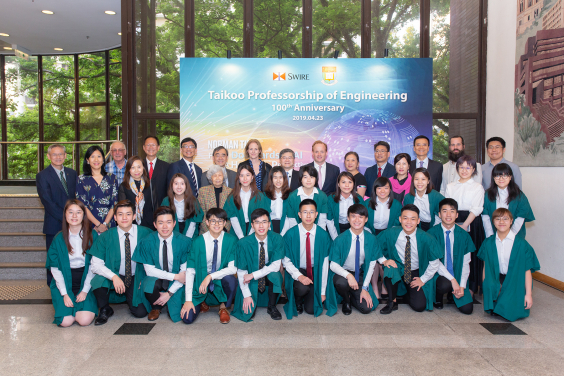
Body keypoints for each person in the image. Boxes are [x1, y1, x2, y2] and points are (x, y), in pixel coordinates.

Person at [89, 200, 153, 325]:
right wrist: (114, 277)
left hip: (136, 276)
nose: (124, 218)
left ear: (134, 216)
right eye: (120, 214)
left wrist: (144, 278)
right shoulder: (105, 236)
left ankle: (129, 298)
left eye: (128, 214)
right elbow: (95, 265)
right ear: (115, 217)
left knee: (140, 312)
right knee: (98, 280)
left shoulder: (146, 233)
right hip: (115, 275)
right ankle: (105, 308)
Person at [377, 204, 442, 314]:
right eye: (405, 218)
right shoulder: (390, 233)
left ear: (418, 221)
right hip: (398, 267)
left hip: (416, 272)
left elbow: (435, 262)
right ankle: (392, 302)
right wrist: (384, 260)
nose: (408, 222)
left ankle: (407, 293)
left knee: (419, 306)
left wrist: (423, 279)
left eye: (413, 219)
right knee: (390, 269)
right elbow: (375, 247)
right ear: (400, 219)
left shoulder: (427, 238)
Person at [478, 208, 540, 321]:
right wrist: (486, 287)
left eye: (505, 219)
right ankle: (497, 299)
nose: (501, 222)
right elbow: (485, 268)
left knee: (510, 311)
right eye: (498, 219)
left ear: (511, 221)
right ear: (493, 222)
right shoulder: (488, 243)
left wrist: (528, 295)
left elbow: (527, 271)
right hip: (497, 277)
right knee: (492, 286)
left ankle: (506, 300)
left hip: (515, 279)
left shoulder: (521, 244)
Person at [132, 206, 191, 322]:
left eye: (168, 222)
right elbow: (150, 271)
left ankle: (168, 301)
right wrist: (176, 277)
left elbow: (184, 275)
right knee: (149, 284)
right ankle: (156, 307)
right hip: (158, 279)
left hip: (178, 282)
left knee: (179, 313)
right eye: (161, 223)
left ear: (174, 223)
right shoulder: (146, 242)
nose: (165, 227)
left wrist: (169, 293)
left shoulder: (184, 242)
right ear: (154, 224)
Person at [180, 208, 238, 324]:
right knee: (187, 319)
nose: (217, 224)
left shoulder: (231, 240)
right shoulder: (197, 242)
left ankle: (223, 308)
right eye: (213, 221)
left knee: (231, 279)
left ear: (225, 223)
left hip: (219, 279)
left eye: (220, 221)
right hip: (200, 282)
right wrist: (188, 300)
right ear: (207, 222)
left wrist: (210, 277)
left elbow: (233, 268)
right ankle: (202, 302)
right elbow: (190, 271)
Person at [46, 199, 97, 327]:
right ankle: (70, 308)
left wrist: (85, 290)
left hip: (86, 280)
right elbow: (55, 268)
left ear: (83, 215)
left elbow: (94, 265)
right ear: (65, 215)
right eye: (71, 212)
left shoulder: (92, 235)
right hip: (64, 281)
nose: (74, 216)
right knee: (65, 322)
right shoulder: (58, 238)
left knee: (84, 320)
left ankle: (81, 308)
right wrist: (64, 293)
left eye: (78, 212)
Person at [326, 204, 382, 315]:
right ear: (348, 218)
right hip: (342, 273)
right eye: (353, 216)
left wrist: (365, 288)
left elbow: (371, 264)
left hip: (359, 274)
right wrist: (349, 276)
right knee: (342, 283)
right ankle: (346, 301)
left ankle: (353, 296)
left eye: (360, 217)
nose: (357, 220)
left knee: (367, 309)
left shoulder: (371, 238)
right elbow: (333, 265)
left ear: (366, 219)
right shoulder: (340, 239)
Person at [232, 209, 284, 321]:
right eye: (257, 222)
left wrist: (253, 275)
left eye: (264, 222)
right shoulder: (243, 243)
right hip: (249, 278)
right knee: (247, 312)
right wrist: (246, 296)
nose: (261, 226)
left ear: (269, 224)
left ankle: (272, 306)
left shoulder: (277, 239)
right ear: (252, 225)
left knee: (275, 275)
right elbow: (242, 272)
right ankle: (253, 300)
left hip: (266, 274)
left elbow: (275, 266)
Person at [282, 199, 332, 318]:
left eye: (311, 212)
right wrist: (299, 276)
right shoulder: (291, 234)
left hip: (316, 271)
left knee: (311, 310)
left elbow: (325, 264)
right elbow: (285, 260)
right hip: (298, 269)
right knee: (301, 288)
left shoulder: (323, 235)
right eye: (305, 212)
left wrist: (322, 292)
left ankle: (310, 294)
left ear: (316, 214)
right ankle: (298, 301)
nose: (308, 216)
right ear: (299, 215)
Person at [37, 144, 77, 285]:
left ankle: (71, 284)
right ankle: (53, 286)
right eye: (54, 154)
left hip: (74, 224)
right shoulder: (42, 176)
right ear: (49, 157)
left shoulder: (73, 174)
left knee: (72, 256)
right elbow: (47, 202)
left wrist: (74, 219)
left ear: (65, 156)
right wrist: (68, 219)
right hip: (54, 223)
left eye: (61, 154)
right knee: (54, 257)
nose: (58, 157)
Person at [445, 154, 485, 294]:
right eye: (461, 167)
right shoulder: (450, 186)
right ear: (457, 169)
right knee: (454, 253)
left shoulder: (477, 187)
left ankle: (472, 288)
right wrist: (453, 223)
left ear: (473, 169)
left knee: (471, 255)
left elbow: (477, 208)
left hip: (472, 222)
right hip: (453, 221)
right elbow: (448, 207)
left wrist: (465, 225)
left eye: (468, 168)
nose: (464, 170)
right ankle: (454, 284)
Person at [427, 199, 475, 314]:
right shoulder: (431, 234)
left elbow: (466, 262)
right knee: (444, 284)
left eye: (452, 211)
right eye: (444, 211)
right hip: (438, 274)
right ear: (439, 214)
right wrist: (452, 280)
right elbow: (435, 262)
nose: (448, 215)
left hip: (457, 273)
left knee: (467, 309)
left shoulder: (464, 235)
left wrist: (462, 285)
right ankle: (437, 299)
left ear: (457, 215)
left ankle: (452, 294)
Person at [365, 177, 402, 299]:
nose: (382, 190)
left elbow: (397, 223)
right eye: (379, 188)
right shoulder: (367, 203)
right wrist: (371, 237)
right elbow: (363, 222)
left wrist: (387, 236)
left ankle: (384, 286)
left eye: (386, 188)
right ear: (375, 190)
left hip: (388, 236)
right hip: (371, 234)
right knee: (374, 260)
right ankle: (375, 286)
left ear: (390, 189)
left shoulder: (396, 204)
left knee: (384, 260)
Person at [482, 163, 534, 239]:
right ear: (493, 178)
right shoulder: (487, 195)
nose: (501, 179)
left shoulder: (519, 195)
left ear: (510, 177)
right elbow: (485, 217)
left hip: (515, 235)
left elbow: (521, 217)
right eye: (497, 176)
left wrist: (510, 235)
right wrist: (490, 236)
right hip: (492, 234)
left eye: (505, 175)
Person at [76, 145, 119, 233]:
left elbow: (114, 204)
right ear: (87, 160)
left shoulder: (112, 178)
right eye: (92, 156)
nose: (96, 160)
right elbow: (82, 205)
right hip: (90, 223)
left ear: (103, 159)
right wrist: (98, 225)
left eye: (99, 156)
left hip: (109, 223)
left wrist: (105, 224)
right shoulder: (81, 179)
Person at [224, 164, 271, 239]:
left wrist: (250, 235)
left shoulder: (260, 196)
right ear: (238, 178)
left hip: (256, 229)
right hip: (237, 230)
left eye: (248, 175)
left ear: (252, 177)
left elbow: (261, 217)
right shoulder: (232, 196)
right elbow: (233, 218)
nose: (245, 178)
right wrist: (241, 236)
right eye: (242, 175)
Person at [118, 156, 155, 229]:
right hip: (130, 224)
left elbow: (154, 205)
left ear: (143, 168)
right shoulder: (124, 186)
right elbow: (122, 208)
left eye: (139, 167)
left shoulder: (150, 184)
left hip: (149, 224)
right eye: (133, 168)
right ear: (129, 170)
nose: (136, 171)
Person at [286, 165, 328, 230]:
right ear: (301, 179)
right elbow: (292, 222)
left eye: (311, 177)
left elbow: (322, 222)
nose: (308, 180)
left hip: (316, 231)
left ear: (316, 179)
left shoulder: (322, 196)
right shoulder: (292, 197)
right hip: (297, 232)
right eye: (305, 177)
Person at [161, 173, 203, 238]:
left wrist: (187, 238)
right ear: (172, 186)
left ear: (186, 186)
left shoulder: (193, 200)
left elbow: (195, 221)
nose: (179, 187)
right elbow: (163, 219)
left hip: (189, 228)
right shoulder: (166, 201)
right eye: (176, 183)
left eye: (182, 184)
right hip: (171, 228)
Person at [326, 172, 365, 240]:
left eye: (350, 182)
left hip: (354, 227)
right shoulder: (331, 199)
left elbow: (362, 218)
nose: (347, 185)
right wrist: (336, 238)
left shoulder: (359, 199)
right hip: (335, 228)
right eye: (343, 182)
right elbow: (329, 220)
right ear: (338, 184)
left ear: (353, 184)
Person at [197, 165, 233, 234]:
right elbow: (201, 213)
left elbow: (231, 214)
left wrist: (224, 228)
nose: (217, 178)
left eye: (220, 175)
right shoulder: (203, 191)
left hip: (225, 231)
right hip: (207, 230)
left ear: (224, 177)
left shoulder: (230, 192)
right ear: (211, 178)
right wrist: (209, 230)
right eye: (214, 176)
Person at [142, 135, 170, 206]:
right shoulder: (138, 166)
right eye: (148, 145)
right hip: (143, 208)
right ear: (144, 148)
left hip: (162, 206)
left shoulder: (167, 166)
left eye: (153, 145)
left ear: (158, 147)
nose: (151, 148)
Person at [264, 166, 291, 235]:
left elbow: (289, 217)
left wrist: (283, 233)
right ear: (271, 179)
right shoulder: (265, 195)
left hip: (286, 226)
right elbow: (264, 215)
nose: (278, 180)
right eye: (275, 177)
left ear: (284, 179)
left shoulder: (290, 195)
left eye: (280, 177)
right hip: (269, 226)